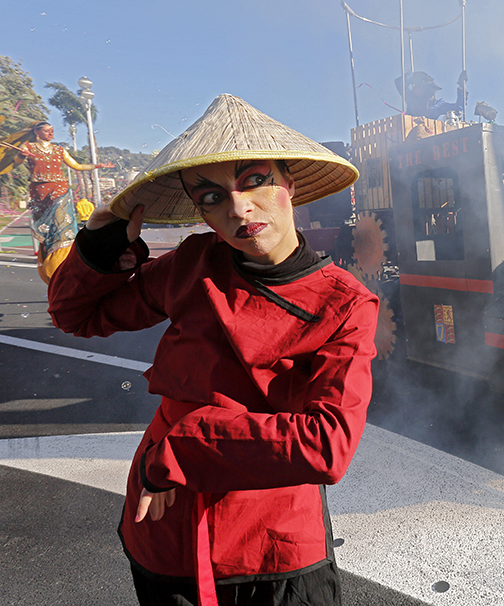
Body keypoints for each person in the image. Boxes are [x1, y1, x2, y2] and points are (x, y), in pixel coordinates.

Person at [46, 94, 378, 606]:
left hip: (274, 542)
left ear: (289, 184)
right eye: (211, 196)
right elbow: (77, 316)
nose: (239, 208)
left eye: (255, 181)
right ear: (201, 212)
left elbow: (326, 445)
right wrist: (98, 246)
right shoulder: (193, 263)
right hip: (165, 532)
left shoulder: (344, 302)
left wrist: (180, 447)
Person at [13, 121, 111, 282]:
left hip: (59, 188)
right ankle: (50, 264)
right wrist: (22, 155)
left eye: (52, 130)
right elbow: (17, 162)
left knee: (62, 225)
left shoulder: (59, 150)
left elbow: (76, 166)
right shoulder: (28, 147)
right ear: (37, 132)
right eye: (46, 130)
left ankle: (63, 261)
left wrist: (97, 166)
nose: (51, 133)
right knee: (47, 229)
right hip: (39, 192)